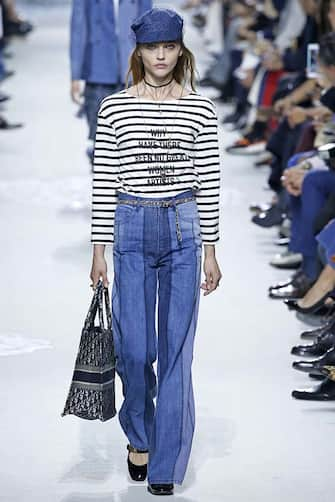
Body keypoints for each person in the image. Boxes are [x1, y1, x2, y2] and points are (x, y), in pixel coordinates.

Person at [89, 7, 222, 496]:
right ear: (138, 51)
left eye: (169, 47)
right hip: (130, 227)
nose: (161, 56)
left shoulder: (201, 109)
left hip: (185, 230)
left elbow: (208, 180)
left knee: (176, 352)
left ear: (180, 51)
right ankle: (139, 434)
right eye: (152, 48)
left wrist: (211, 248)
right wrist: (99, 247)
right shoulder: (115, 108)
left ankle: (163, 464)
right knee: (134, 348)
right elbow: (104, 178)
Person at [70, 0, 151, 162]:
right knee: (100, 125)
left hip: (130, 63)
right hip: (97, 66)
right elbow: (78, 28)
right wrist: (75, 75)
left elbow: (148, 25)